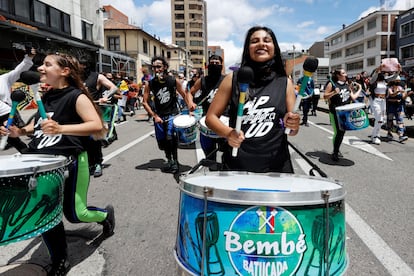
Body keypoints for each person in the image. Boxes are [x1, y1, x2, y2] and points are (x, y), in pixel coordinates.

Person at [0, 53, 115, 275]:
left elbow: (97, 125)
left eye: (47, 64)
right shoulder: (46, 98)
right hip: (42, 161)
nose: (41, 68)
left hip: (71, 160)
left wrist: (61, 129)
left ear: (65, 71)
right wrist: (19, 131)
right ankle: (60, 260)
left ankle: (104, 216)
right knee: (44, 211)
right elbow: (37, 126)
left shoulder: (77, 96)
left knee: (75, 213)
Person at [205, 26, 300, 173]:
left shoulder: (285, 82)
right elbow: (210, 118)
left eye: (266, 40)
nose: (261, 44)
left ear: (274, 48)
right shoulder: (232, 79)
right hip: (237, 165)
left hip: (277, 167)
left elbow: (292, 130)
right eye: (254, 41)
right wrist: (229, 133)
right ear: (247, 49)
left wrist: (293, 124)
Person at [142, 56, 187, 174]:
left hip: (172, 114)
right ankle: (169, 160)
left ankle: (175, 162)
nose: (156, 69)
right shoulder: (150, 83)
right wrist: (154, 115)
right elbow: (144, 102)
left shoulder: (173, 80)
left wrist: (191, 108)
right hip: (159, 116)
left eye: (159, 67)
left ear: (165, 67)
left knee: (170, 139)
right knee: (162, 144)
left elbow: (184, 94)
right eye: (154, 67)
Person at [79, 58, 118, 177]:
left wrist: (105, 96)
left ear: (85, 65)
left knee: (93, 139)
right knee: (81, 140)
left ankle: (97, 163)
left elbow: (113, 87)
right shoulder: (73, 77)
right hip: (78, 110)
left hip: (93, 111)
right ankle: (88, 163)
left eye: (80, 64)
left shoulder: (97, 77)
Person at [187, 55, 226, 162]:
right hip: (207, 120)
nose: (214, 65)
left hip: (225, 121)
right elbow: (191, 93)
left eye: (217, 63)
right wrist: (190, 103)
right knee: (209, 156)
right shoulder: (202, 80)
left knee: (228, 155)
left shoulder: (227, 80)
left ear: (221, 66)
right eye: (212, 63)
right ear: (208, 65)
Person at [0, 48, 36, 152]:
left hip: (8, 114)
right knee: (12, 139)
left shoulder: (3, 79)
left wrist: (29, 57)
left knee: (14, 139)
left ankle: (28, 154)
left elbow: (18, 71)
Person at [323, 69, 361, 161]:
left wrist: (360, 89)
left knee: (342, 132)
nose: (346, 74)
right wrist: (333, 92)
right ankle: (335, 152)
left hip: (345, 112)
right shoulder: (332, 84)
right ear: (338, 75)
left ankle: (336, 149)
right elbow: (324, 96)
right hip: (335, 111)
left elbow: (353, 97)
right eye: (343, 73)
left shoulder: (347, 85)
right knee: (339, 132)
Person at [386, 76, 413, 142]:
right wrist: (398, 92)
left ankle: (401, 135)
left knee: (400, 120)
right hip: (391, 107)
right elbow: (391, 95)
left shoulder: (401, 88)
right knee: (390, 120)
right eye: (397, 80)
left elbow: (403, 97)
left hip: (399, 106)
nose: (398, 82)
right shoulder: (389, 88)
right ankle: (389, 132)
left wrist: (407, 94)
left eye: (399, 81)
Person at [369, 71, 388, 145]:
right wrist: (377, 71)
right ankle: (375, 136)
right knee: (379, 119)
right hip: (376, 100)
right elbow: (372, 79)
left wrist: (398, 71)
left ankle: (375, 134)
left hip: (383, 101)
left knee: (382, 119)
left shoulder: (385, 82)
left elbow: (393, 77)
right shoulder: (374, 82)